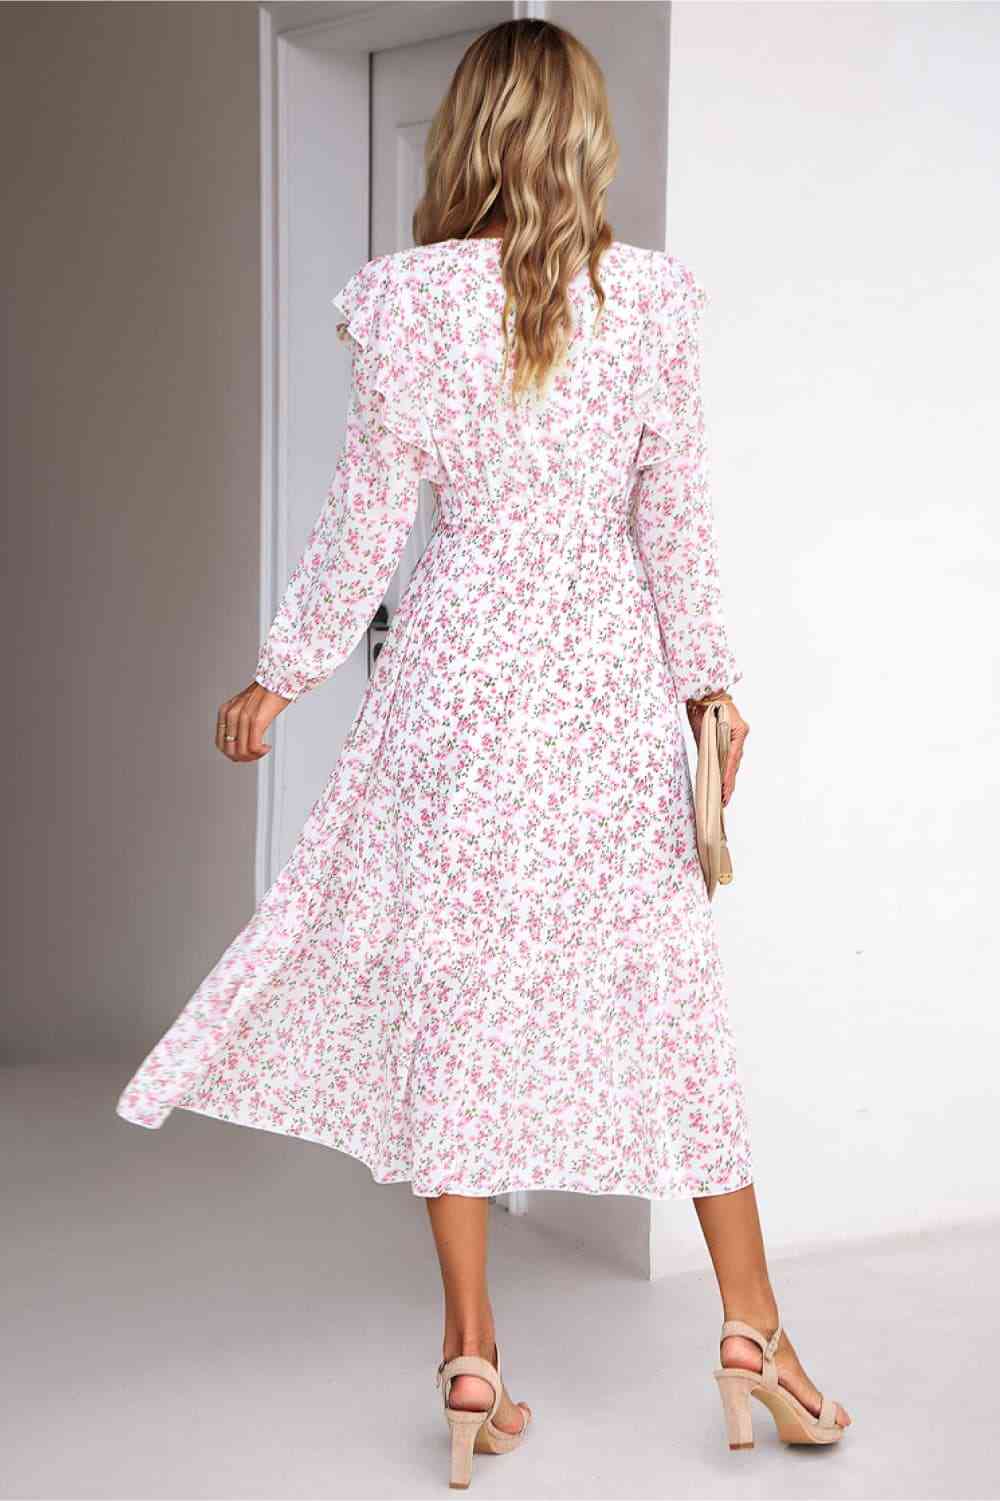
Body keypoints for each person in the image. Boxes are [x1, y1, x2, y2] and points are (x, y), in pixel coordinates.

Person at [116, 17, 851, 1487]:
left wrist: (280, 677)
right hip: (600, 686)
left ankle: (470, 1355)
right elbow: (673, 527)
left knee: (452, 997)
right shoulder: (648, 302)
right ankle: (754, 1332)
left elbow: (364, 523)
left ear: (465, 136)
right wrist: (710, 695)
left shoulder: (407, 305)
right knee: (666, 994)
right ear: (586, 138)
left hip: (453, 687)